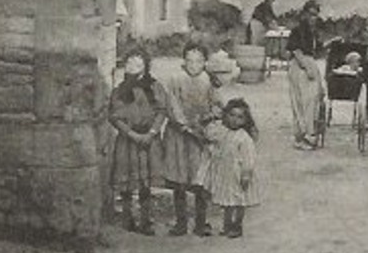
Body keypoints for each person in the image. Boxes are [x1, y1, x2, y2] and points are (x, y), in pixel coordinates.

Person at [109, 47, 167, 235]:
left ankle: (145, 219)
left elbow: (161, 110)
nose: (134, 67)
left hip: (149, 141)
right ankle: (127, 218)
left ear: (146, 66)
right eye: (130, 63)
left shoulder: (155, 87)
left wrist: (152, 132)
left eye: (139, 63)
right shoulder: (119, 90)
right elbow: (114, 117)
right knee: (127, 182)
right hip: (128, 141)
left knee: (145, 183)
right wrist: (131, 134)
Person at [162, 42, 214, 237]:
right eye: (190, 60)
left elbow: (216, 103)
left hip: (200, 136)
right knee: (179, 180)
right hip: (179, 136)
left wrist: (207, 121)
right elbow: (172, 104)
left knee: (200, 179)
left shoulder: (207, 80)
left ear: (204, 62)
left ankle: (201, 222)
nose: (194, 65)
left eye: (199, 61)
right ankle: (181, 222)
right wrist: (184, 125)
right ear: (184, 60)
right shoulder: (175, 79)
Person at [195, 96, 260, 238]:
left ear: (246, 120)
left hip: (238, 173)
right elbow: (207, 133)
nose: (235, 120)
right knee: (227, 201)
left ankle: (236, 226)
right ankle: (227, 225)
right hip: (225, 173)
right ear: (225, 115)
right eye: (231, 115)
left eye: (240, 117)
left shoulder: (244, 137)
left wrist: (246, 174)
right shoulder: (221, 130)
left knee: (239, 200)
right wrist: (209, 120)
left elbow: (249, 158)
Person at [286, 0, 325, 149]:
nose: (313, 18)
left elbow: (315, 50)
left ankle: (309, 133)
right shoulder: (298, 30)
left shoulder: (312, 32)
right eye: (310, 14)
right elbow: (296, 50)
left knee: (312, 100)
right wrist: (306, 67)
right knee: (301, 101)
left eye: (315, 15)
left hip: (309, 63)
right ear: (304, 14)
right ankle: (301, 137)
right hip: (300, 65)